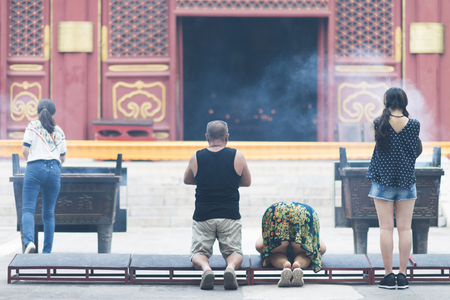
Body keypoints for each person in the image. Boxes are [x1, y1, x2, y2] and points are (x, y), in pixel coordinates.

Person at [184, 120, 251, 290]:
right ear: (227, 137)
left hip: (203, 215)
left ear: (207, 137)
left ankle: (206, 269)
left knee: (198, 253)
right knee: (234, 252)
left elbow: (187, 179)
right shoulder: (237, 155)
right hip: (229, 214)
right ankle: (230, 268)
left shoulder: (197, 156)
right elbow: (247, 182)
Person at [366, 87, 421, 290]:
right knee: (405, 228)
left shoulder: (378, 123)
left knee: (385, 228)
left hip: (383, 181)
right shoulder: (415, 125)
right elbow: (415, 148)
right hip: (407, 181)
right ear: (404, 102)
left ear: (386, 102)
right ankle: (403, 275)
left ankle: (388, 275)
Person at [21, 99, 67, 254]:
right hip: (54, 170)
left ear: (38, 112)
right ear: (53, 113)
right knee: (48, 214)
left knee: (28, 209)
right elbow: (62, 158)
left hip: (35, 167)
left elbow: (25, 151)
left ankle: (29, 242)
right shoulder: (60, 131)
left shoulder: (32, 126)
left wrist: (32, 164)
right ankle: (47, 252)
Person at [255, 202, 326, 287]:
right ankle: (297, 265)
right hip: (303, 212)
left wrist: (266, 239)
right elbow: (322, 248)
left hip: (278, 211)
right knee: (307, 254)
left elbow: (259, 246)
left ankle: (285, 265)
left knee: (275, 253)